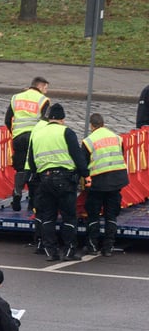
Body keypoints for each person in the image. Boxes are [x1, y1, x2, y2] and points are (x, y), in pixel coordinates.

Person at [26, 103, 90, 261]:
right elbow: (78, 156)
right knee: (69, 216)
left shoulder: (38, 134)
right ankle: (69, 252)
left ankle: (51, 252)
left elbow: (32, 161)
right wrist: (86, 175)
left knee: (48, 216)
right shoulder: (66, 132)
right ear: (62, 119)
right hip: (65, 179)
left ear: (49, 118)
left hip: (44, 180)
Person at [82, 113, 129, 257]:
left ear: (91, 126)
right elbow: (121, 155)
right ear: (103, 123)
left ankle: (92, 245)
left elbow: (83, 165)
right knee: (111, 215)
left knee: (93, 214)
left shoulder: (88, 141)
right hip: (116, 180)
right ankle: (108, 247)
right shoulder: (116, 137)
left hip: (98, 182)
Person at [6, 77, 50, 212]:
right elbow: (45, 121)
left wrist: (14, 133)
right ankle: (32, 202)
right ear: (41, 87)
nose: (46, 91)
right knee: (34, 168)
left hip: (18, 137)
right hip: (34, 138)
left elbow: (8, 119)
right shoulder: (43, 100)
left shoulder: (16, 98)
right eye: (46, 88)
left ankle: (17, 193)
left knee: (20, 167)